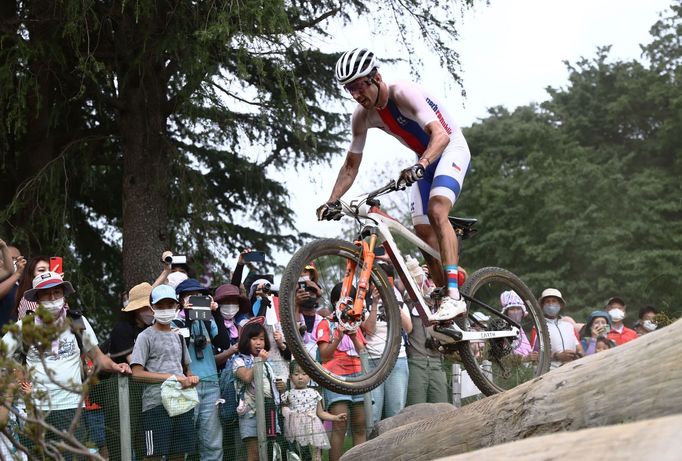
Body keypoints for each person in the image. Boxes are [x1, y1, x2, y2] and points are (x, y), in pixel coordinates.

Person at [317, 48, 472, 322]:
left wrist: (420, 165)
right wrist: (332, 200)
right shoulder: (362, 116)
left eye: (359, 86)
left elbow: (440, 136)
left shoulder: (403, 94)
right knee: (423, 233)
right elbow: (351, 165)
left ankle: (454, 296)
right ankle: (445, 304)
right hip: (423, 160)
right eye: (349, 89)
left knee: (437, 211)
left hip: (449, 149)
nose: (355, 95)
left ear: (376, 78)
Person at [1, 271, 131, 457]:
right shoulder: (25, 326)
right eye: (46, 294)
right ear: (37, 298)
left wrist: (117, 366)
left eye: (57, 292)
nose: (53, 298)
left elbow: (99, 358)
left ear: (64, 294)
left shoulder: (78, 322)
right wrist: (14, 374)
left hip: (71, 407)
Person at [131, 284, 199, 460]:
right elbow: (137, 373)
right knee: (153, 456)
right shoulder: (144, 336)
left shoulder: (178, 336)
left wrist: (191, 379)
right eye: (160, 306)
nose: (165, 309)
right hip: (155, 405)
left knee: (178, 455)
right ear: (152, 308)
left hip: (181, 404)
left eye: (169, 305)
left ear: (177, 306)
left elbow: (187, 370)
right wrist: (173, 378)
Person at [173, 278, 224, 461]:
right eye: (190, 296)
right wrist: (187, 317)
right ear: (180, 300)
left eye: (199, 296)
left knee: (212, 442)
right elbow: (181, 349)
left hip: (211, 384)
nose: (195, 299)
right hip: (186, 386)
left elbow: (223, 343)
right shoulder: (174, 321)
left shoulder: (207, 320)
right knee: (183, 440)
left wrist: (215, 314)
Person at [317, 283, 367, 461]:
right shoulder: (325, 323)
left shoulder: (356, 324)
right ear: (333, 301)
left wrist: (353, 336)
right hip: (336, 376)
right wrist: (337, 337)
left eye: (351, 301)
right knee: (340, 425)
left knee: (360, 425)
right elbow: (324, 355)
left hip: (358, 375)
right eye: (342, 300)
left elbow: (363, 352)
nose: (347, 304)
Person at [362, 263, 412, 423]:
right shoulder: (362, 302)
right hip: (372, 362)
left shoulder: (397, 301)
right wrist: (375, 303)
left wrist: (391, 300)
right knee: (373, 413)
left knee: (396, 411)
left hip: (397, 359)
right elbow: (368, 330)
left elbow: (408, 328)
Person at [233, 318, 282, 461]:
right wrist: (259, 360)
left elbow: (272, 388)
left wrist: (281, 387)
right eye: (254, 338)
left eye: (262, 339)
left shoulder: (269, 364)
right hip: (250, 413)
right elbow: (247, 377)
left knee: (270, 452)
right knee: (254, 454)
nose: (259, 342)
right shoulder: (238, 361)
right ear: (245, 341)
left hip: (269, 411)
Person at [281, 361, 347, 461]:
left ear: (310, 376)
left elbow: (320, 413)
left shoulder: (314, 393)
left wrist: (335, 417)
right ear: (290, 377)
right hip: (296, 429)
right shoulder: (288, 394)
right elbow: (283, 409)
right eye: (296, 374)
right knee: (298, 454)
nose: (300, 377)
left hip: (313, 428)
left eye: (304, 374)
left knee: (315, 454)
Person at [536, 288, 583, 369]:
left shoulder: (568, 326)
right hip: (551, 371)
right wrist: (557, 356)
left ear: (560, 305)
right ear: (542, 306)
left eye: (554, 301)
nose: (551, 304)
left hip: (573, 368)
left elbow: (580, 349)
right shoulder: (538, 327)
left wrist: (577, 355)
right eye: (547, 301)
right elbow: (536, 355)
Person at [12, 255, 50, 321]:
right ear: (31, 275)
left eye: (50, 270)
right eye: (41, 270)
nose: (47, 273)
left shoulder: (56, 293)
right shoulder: (29, 298)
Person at [499, 290, 532, 357]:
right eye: (512, 309)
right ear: (506, 312)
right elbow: (505, 358)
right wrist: (526, 358)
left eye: (518, 308)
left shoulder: (519, 329)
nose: (515, 312)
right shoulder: (503, 329)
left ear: (522, 312)